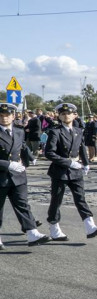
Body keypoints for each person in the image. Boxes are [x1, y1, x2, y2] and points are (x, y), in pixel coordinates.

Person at [45, 103, 97, 241]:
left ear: (74, 115)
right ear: (59, 116)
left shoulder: (78, 130)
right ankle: (54, 227)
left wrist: (86, 163)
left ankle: (90, 226)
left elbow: (81, 147)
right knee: (57, 200)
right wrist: (69, 162)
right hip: (60, 170)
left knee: (80, 198)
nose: (66, 116)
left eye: (68, 113)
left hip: (75, 170)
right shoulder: (55, 131)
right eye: (63, 114)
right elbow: (49, 153)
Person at [0, 103, 51, 248]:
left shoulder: (19, 131)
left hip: (17, 175)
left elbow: (22, 146)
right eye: (1, 116)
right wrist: (8, 164)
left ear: (13, 116)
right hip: (1, 175)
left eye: (7, 115)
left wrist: (30, 157)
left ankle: (32, 233)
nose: (4, 118)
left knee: (23, 204)